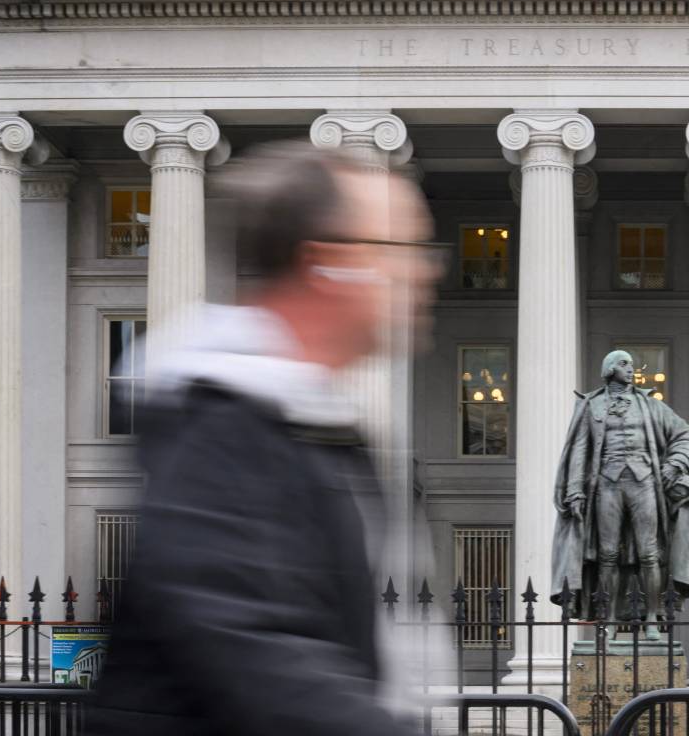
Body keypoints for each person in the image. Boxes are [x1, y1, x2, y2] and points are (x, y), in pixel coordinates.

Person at [83, 142, 439, 736]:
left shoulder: (316, 425)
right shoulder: (218, 430)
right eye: (402, 249)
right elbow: (258, 660)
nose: (425, 270)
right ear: (330, 264)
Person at [551, 350, 689, 630]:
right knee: (607, 554)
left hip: (645, 482)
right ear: (609, 369)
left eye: (632, 365)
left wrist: (675, 464)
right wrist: (575, 489)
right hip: (607, 484)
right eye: (624, 364)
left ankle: (652, 620)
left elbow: (686, 434)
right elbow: (580, 448)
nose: (631, 369)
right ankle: (607, 618)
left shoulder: (651, 406)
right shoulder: (591, 406)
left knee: (649, 553)